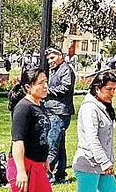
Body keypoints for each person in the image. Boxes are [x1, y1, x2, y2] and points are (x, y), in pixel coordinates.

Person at [73, 72, 116, 192]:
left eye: (114, 89)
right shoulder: (90, 108)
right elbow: (92, 138)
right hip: (88, 164)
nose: (112, 93)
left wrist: (106, 161)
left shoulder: (103, 105)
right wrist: (105, 162)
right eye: (109, 89)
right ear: (97, 88)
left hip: (103, 164)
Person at [7, 69, 51, 192]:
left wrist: (44, 158)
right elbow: (17, 141)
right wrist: (21, 171)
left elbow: (39, 136)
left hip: (37, 165)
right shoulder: (23, 108)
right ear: (28, 87)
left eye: (46, 82)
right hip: (24, 165)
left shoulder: (40, 105)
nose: (45, 86)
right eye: (41, 83)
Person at [43, 46, 76, 183]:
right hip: (53, 110)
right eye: (48, 59)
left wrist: (48, 90)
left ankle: (45, 176)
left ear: (60, 56)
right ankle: (60, 174)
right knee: (60, 145)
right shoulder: (55, 70)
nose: (50, 61)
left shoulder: (66, 70)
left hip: (60, 112)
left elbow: (66, 88)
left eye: (52, 58)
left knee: (52, 145)